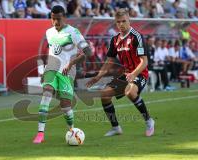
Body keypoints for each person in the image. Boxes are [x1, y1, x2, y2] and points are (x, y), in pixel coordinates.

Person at [86, 8, 155, 137]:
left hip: (140, 73)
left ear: (129, 20)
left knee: (130, 92)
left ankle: (149, 121)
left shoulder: (137, 37)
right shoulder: (115, 39)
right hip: (127, 74)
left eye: (124, 21)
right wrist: (98, 76)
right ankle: (116, 128)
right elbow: (109, 61)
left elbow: (144, 62)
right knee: (105, 95)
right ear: (115, 23)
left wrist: (134, 74)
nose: (121, 24)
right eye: (118, 22)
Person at [33, 5, 91, 144]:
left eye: (58, 19)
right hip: (52, 68)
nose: (56, 22)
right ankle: (40, 133)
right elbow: (52, 52)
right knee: (46, 94)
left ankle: (72, 130)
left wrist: (71, 63)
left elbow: (88, 52)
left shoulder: (74, 32)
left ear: (64, 17)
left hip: (67, 70)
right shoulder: (49, 32)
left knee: (65, 106)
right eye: (53, 19)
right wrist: (44, 70)